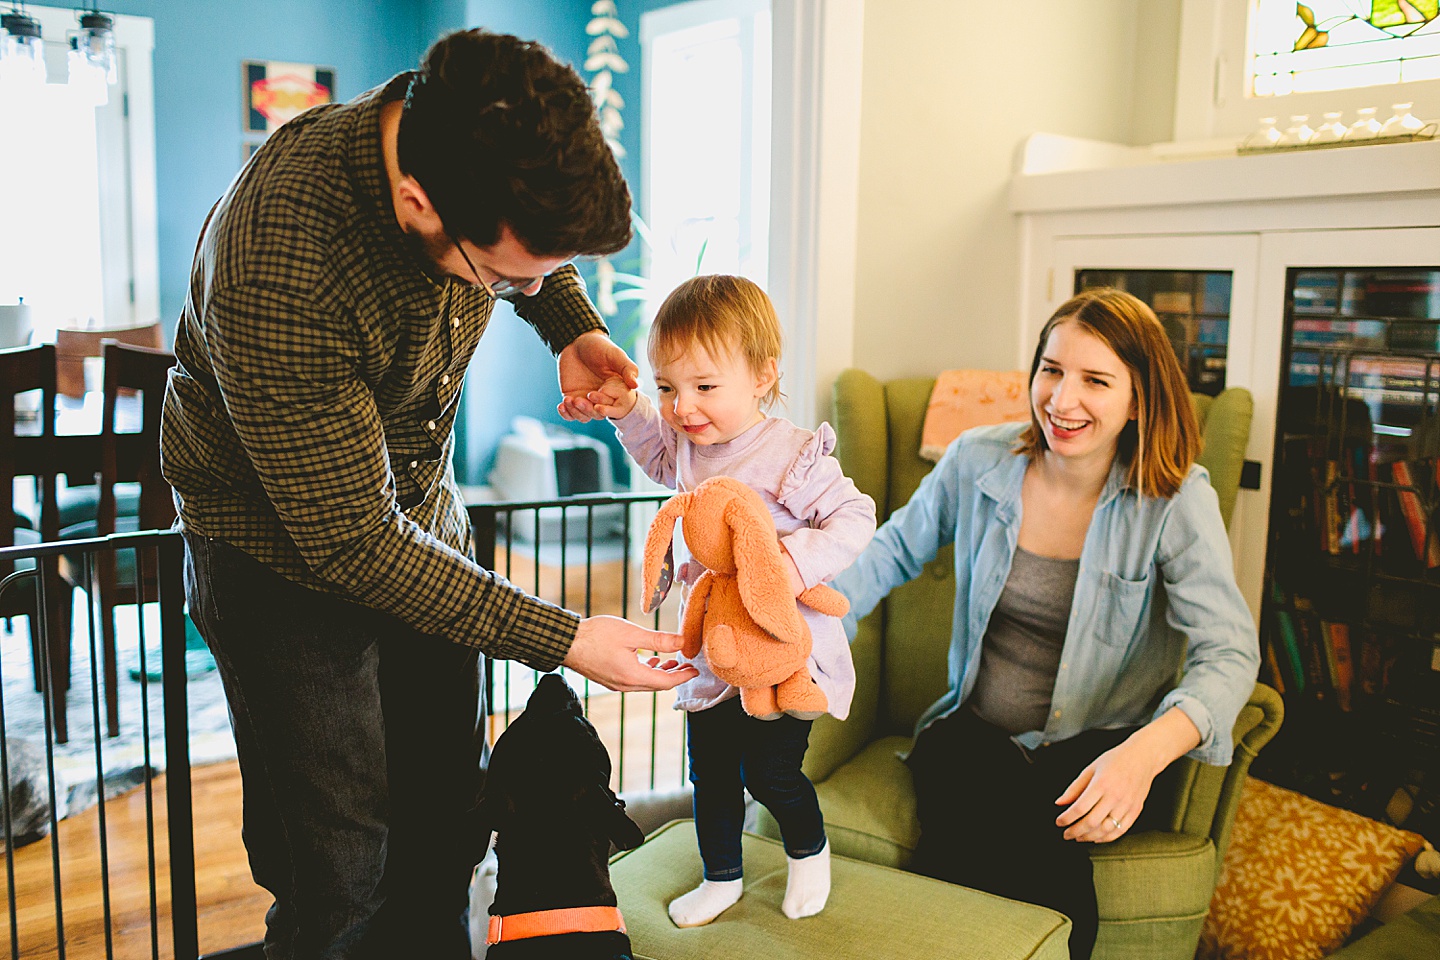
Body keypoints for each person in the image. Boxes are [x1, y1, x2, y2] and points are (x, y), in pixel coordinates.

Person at [160, 30, 696, 960]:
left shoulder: (466, 133)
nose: (525, 287)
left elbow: (528, 239)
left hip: (419, 521)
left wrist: (567, 322)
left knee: (449, 823)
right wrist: (571, 636)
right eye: (512, 278)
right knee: (338, 866)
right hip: (282, 559)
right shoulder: (282, 259)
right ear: (417, 203)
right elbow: (352, 544)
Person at [832, 288, 1260, 960]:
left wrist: (1143, 758)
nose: (1062, 400)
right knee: (990, 840)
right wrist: (802, 620)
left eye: (1095, 380)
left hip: (1104, 748)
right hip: (972, 735)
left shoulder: (1177, 499)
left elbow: (1230, 651)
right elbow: (890, 552)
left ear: (1139, 397)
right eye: (1052, 370)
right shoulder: (977, 460)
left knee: (1017, 860)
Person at [588, 275, 876, 927]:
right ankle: (721, 877)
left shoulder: (792, 454)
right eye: (668, 387)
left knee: (770, 774)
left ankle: (809, 852)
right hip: (715, 653)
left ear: (762, 376)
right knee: (710, 772)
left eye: (704, 387)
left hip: (782, 656)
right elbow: (655, 455)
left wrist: (791, 561)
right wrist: (628, 408)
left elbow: (856, 515)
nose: (684, 407)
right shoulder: (688, 445)